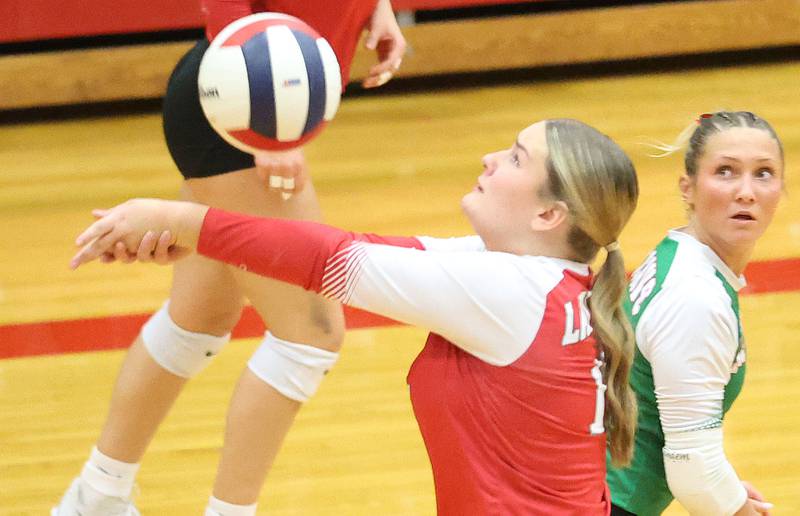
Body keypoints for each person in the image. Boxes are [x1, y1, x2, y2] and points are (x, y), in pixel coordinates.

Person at [71, 118, 640, 514]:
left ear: (548, 213)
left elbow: (331, 261)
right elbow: (348, 247)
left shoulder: (506, 290)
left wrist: (181, 218)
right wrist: (197, 241)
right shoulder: (532, 279)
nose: (490, 158)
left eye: (516, 157)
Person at [53, 1, 406, 515]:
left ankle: (96, 497)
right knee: (311, 335)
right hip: (244, 98)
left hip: (246, 91)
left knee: (199, 317)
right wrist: (263, 123)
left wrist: (376, 7)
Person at [606, 111, 784, 516]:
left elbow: (677, 427)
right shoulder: (694, 296)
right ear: (687, 188)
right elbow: (692, 468)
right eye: (725, 172)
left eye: (764, 173)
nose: (746, 192)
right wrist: (727, 502)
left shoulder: (679, 254)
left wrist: (725, 489)